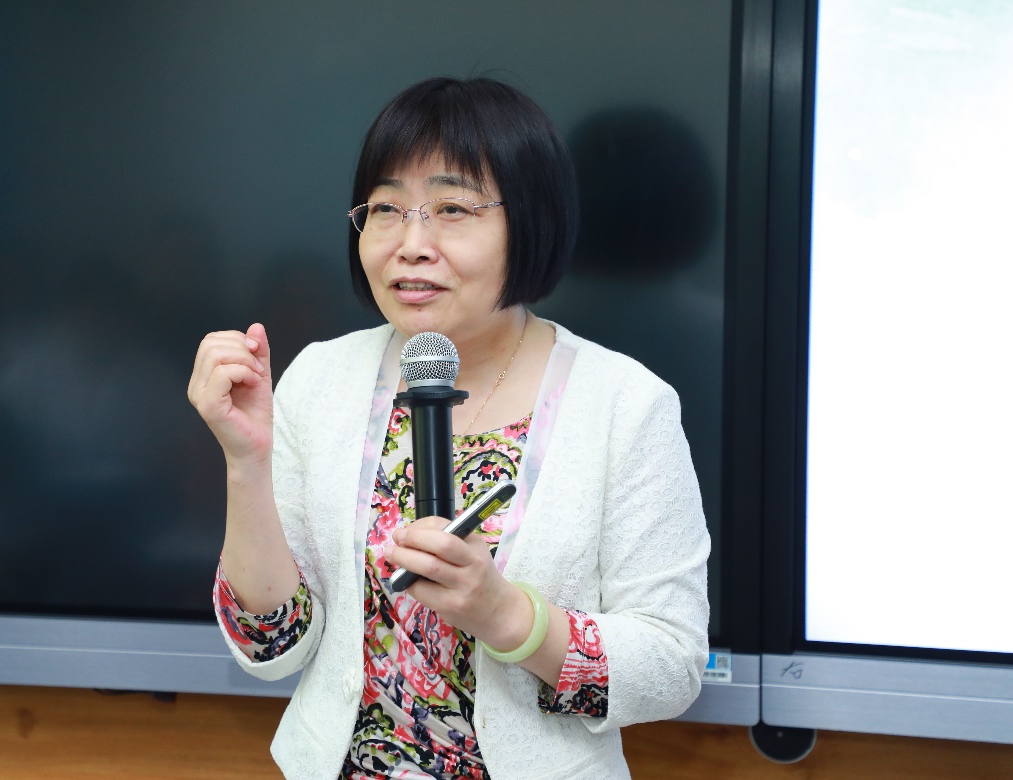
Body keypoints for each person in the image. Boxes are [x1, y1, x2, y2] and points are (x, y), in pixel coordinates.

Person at [187, 77, 710, 780]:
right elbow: (270, 647)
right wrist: (245, 463)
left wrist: (508, 617)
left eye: (453, 209)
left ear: (531, 222)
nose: (411, 244)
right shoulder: (319, 377)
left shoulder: (625, 404)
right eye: (386, 209)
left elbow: (673, 665)